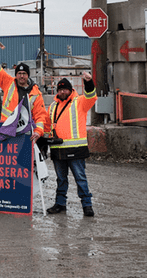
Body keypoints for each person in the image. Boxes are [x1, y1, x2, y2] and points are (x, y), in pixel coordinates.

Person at [46, 74, 97, 217]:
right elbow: (47, 125)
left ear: (70, 90)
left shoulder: (79, 102)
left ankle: (87, 205)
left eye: (65, 90)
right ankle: (60, 204)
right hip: (58, 151)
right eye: (60, 90)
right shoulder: (52, 107)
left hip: (76, 150)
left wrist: (88, 82)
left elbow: (91, 97)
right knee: (61, 179)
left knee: (80, 178)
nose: (62, 92)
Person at [0, 39, 48, 142]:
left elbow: (40, 115)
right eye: (19, 73)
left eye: (24, 73)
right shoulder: (8, 83)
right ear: (16, 75)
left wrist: (39, 131)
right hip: (7, 130)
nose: (21, 76)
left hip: (26, 133)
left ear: (28, 75)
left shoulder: (36, 93)